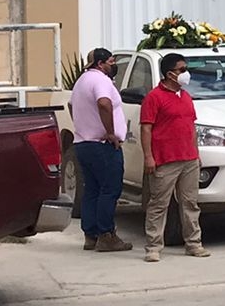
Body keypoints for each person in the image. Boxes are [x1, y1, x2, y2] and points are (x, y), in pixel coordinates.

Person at [139, 52, 211, 262]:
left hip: (188, 159)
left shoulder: (186, 97)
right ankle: (153, 246)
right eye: (182, 70)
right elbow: (146, 129)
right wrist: (148, 157)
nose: (186, 74)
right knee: (159, 204)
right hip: (165, 159)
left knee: (190, 203)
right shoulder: (154, 97)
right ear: (170, 74)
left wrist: (196, 153)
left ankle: (194, 243)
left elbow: (191, 127)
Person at [69, 48, 132, 253]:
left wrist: (83, 125)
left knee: (92, 190)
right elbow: (104, 103)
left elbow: (71, 106)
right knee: (109, 189)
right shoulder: (101, 80)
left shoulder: (82, 81)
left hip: (83, 143)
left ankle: (91, 235)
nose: (113, 66)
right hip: (102, 145)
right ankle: (106, 235)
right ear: (100, 63)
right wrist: (111, 132)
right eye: (111, 62)